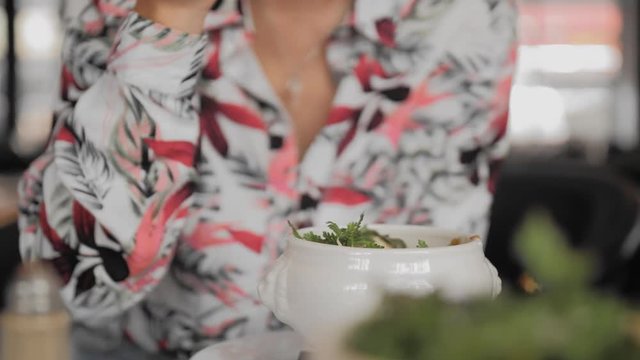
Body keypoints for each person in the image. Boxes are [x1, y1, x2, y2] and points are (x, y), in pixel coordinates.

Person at [16, 0, 517, 358]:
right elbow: (82, 285)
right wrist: (166, 23)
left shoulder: (464, 18)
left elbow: (444, 287)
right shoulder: (114, 14)